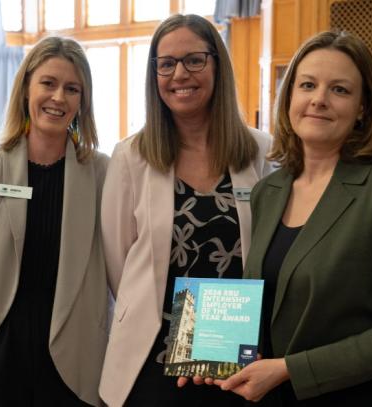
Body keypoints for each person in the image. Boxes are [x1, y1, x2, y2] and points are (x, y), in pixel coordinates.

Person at [214, 31, 372, 405]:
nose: (318, 99)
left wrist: (289, 369)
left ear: (363, 107)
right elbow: (267, 305)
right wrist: (213, 357)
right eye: (307, 85)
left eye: (340, 90)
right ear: (290, 98)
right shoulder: (270, 190)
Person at [98, 14, 273, 407]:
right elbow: (118, 263)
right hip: (151, 354)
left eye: (194, 60)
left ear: (217, 65)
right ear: (154, 74)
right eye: (166, 63)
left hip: (235, 355)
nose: (180, 73)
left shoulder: (260, 151)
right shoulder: (130, 157)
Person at [0, 36, 109, 406]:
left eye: (72, 89)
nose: (59, 98)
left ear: (82, 101)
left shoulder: (105, 174)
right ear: (26, 88)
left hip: (74, 354)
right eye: (48, 83)